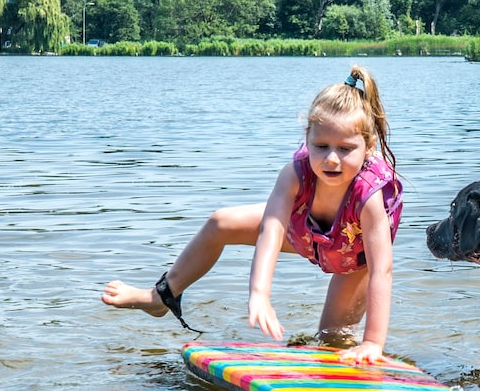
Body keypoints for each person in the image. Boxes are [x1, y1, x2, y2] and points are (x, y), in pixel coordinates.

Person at [101, 66, 402, 364]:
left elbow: (381, 271)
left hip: (351, 258)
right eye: (321, 146)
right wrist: (259, 293)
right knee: (221, 223)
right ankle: (159, 298)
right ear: (307, 138)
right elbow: (270, 230)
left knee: (331, 339)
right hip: (304, 233)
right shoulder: (295, 174)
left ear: (368, 147)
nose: (331, 159)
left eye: (346, 148)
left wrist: (373, 342)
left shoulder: (369, 196)